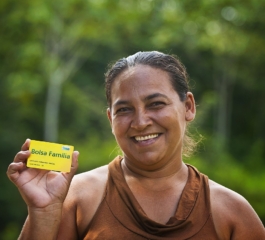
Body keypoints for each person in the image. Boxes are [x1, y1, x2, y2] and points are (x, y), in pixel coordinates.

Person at [7, 51, 265, 240]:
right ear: (110, 119)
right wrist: (43, 213)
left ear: (188, 107)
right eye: (124, 109)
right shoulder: (75, 199)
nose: (140, 122)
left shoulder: (231, 213)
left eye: (156, 104)